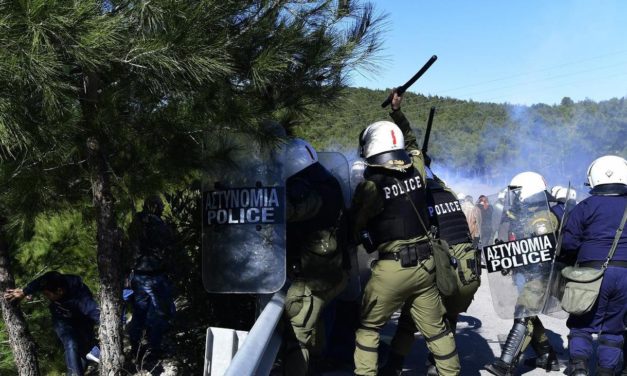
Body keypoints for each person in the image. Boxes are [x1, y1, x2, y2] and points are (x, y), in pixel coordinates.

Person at [351, 93, 459, 376]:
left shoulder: (370, 186)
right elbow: (413, 146)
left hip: (392, 270)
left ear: (370, 149)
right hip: (425, 269)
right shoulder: (418, 173)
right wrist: (397, 112)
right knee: (438, 334)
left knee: (367, 329)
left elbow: (355, 227)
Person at [380, 91, 479, 376]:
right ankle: (436, 365)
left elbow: (411, 149)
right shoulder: (446, 190)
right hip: (467, 270)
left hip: (444, 268)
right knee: (448, 321)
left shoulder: (418, 192)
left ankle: (397, 367)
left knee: (411, 320)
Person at [282, 138, 349, 375]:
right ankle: (318, 361)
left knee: (296, 337)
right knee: (318, 324)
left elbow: (287, 212)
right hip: (331, 271)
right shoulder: (326, 181)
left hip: (315, 277)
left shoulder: (314, 191)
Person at [484, 171, 560, 376]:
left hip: (539, 276)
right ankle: (546, 356)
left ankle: (505, 364)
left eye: (518, 193)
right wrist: (505, 255)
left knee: (523, 315)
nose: (515, 197)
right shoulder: (527, 215)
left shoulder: (543, 218)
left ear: (529, 192)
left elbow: (544, 250)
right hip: (528, 274)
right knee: (531, 315)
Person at [560, 155, 627, 376]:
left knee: (582, 323)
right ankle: (606, 372)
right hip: (626, 274)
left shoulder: (585, 206)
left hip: (590, 273)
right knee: (614, 328)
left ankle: (579, 367)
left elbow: (569, 243)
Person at [4, 271, 100, 376]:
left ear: (59, 291)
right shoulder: (53, 281)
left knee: (84, 350)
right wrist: (25, 292)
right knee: (70, 343)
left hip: (82, 321)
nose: (45, 296)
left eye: (47, 294)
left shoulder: (83, 300)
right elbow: (40, 281)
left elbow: (97, 314)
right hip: (62, 318)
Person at [126, 195, 176, 359]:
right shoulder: (157, 224)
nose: (162, 209)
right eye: (160, 207)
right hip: (154, 274)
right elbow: (168, 243)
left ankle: (135, 347)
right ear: (155, 207)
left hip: (138, 275)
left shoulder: (136, 222)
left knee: (139, 313)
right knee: (158, 313)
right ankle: (155, 348)